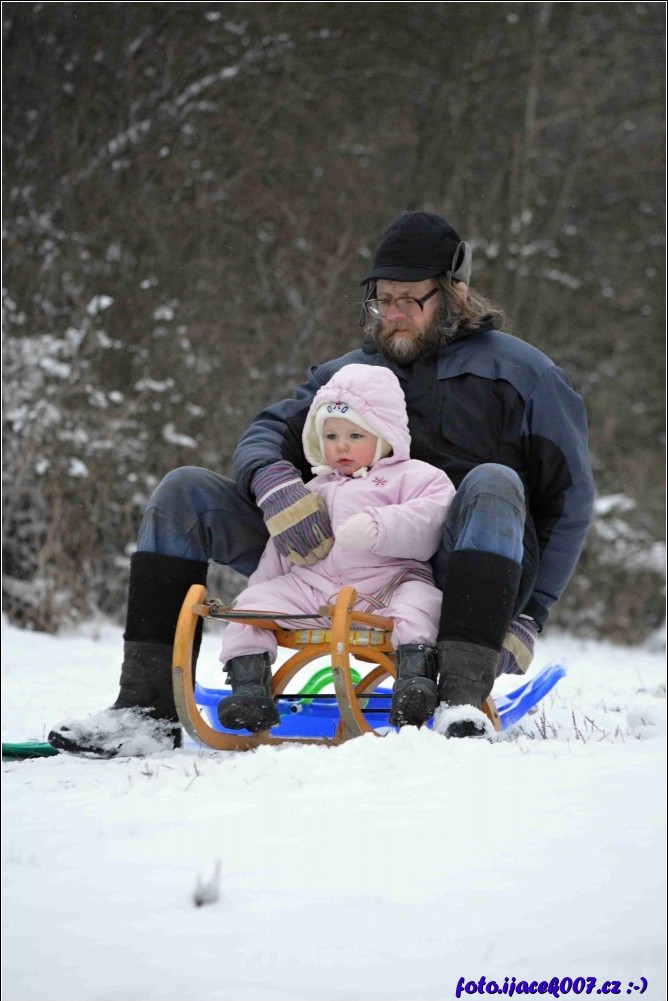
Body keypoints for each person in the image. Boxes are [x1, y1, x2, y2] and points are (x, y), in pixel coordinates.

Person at [49, 210, 595, 755]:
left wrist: (530, 612)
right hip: (329, 557)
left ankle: (460, 705)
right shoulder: (347, 377)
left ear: (454, 294)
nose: (394, 315)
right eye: (383, 299)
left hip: (459, 567)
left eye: (411, 301)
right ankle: (144, 713)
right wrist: (275, 481)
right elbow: (266, 432)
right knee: (182, 494)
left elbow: (569, 503)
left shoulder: (523, 375)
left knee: (495, 480)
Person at [215, 363, 455, 732]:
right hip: (315, 592)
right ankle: (250, 690)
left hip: (386, 586)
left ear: (385, 435)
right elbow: (282, 550)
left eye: (355, 436)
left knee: (421, 603)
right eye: (330, 435)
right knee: (251, 607)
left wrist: (380, 526)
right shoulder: (314, 489)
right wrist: (260, 589)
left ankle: (414, 683)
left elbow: (432, 521)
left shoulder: (417, 477)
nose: (341, 446)